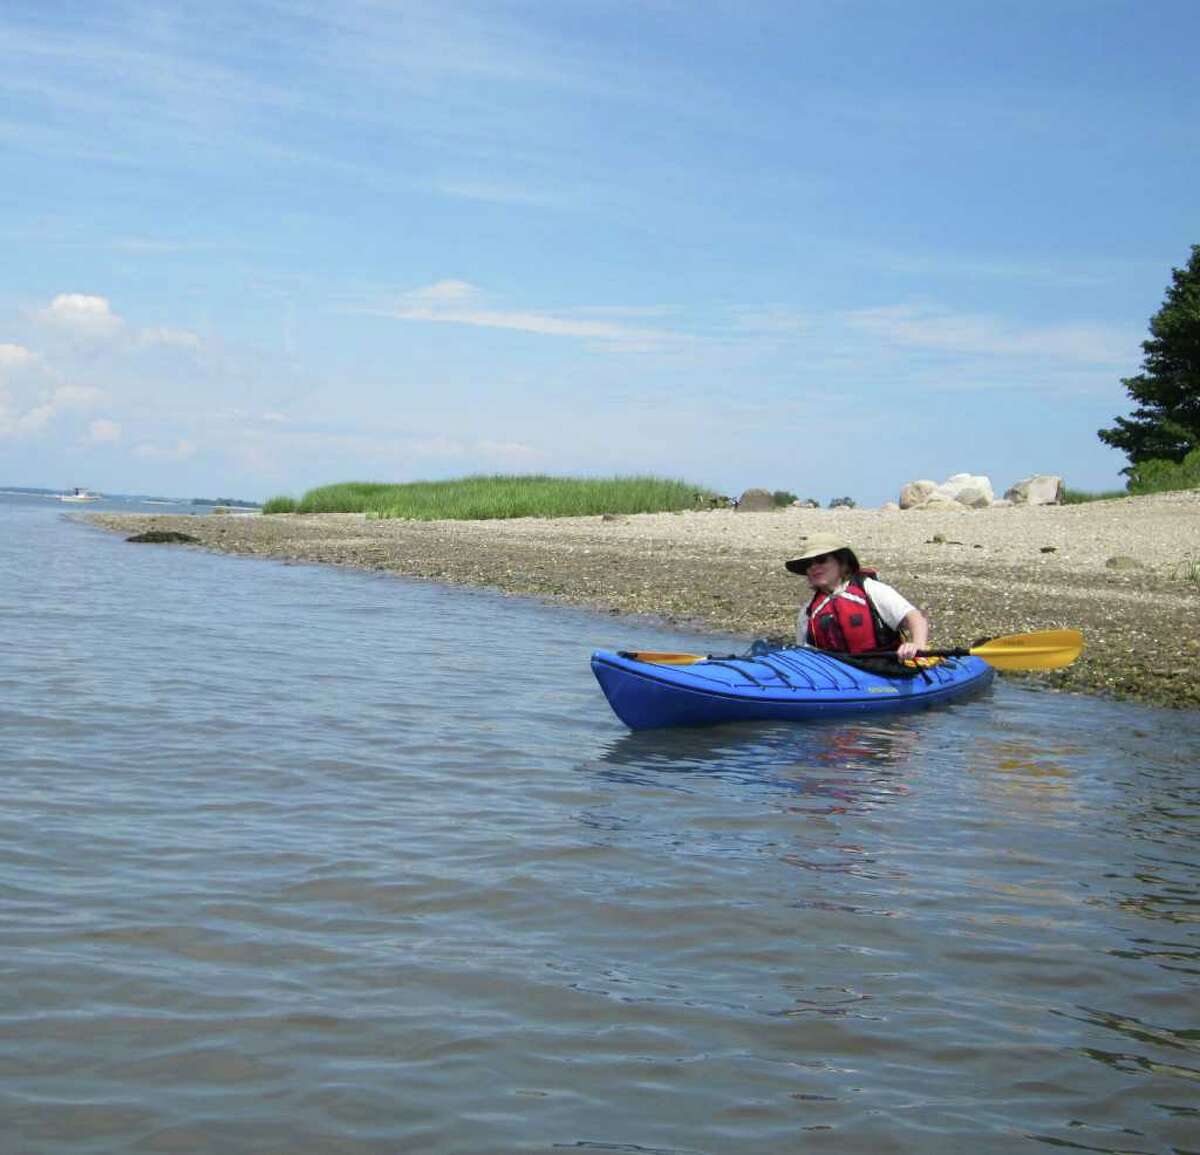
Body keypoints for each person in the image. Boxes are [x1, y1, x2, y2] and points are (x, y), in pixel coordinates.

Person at [784, 533, 929, 661]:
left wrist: (917, 645)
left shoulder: (871, 589)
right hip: (837, 677)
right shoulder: (808, 612)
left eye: (821, 560)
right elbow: (803, 654)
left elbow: (915, 618)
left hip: (883, 668)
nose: (813, 567)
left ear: (843, 563)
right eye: (808, 564)